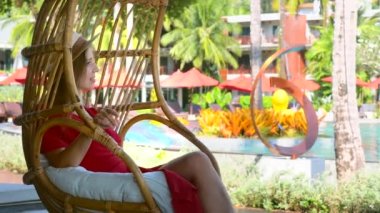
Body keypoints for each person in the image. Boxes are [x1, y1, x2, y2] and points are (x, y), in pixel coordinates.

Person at [41, 33, 234, 213]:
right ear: (70, 69)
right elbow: (63, 165)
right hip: (120, 182)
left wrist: (96, 123)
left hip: (132, 175)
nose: (96, 68)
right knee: (198, 162)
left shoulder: (88, 113)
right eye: (90, 62)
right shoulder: (52, 119)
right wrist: (91, 130)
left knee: (198, 160)